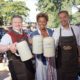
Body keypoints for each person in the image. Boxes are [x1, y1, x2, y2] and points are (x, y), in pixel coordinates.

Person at [0, 15, 35, 80]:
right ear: (12, 23)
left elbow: (29, 43)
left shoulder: (25, 33)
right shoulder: (7, 35)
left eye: (19, 22)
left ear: (22, 23)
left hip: (28, 64)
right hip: (16, 66)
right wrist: (9, 46)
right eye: (15, 22)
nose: (17, 24)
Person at [53, 10, 80, 80]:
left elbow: (79, 45)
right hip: (61, 65)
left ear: (68, 17)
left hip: (73, 63)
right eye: (60, 18)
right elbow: (53, 48)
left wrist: (79, 56)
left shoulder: (76, 29)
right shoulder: (56, 31)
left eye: (64, 17)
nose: (63, 19)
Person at [30, 13, 57, 80]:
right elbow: (31, 49)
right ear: (37, 22)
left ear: (46, 22)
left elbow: (55, 44)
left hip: (51, 59)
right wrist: (31, 43)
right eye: (39, 21)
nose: (42, 23)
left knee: (52, 76)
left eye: (44, 21)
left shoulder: (50, 31)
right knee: (42, 77)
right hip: (40, 60)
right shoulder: (33, 34)